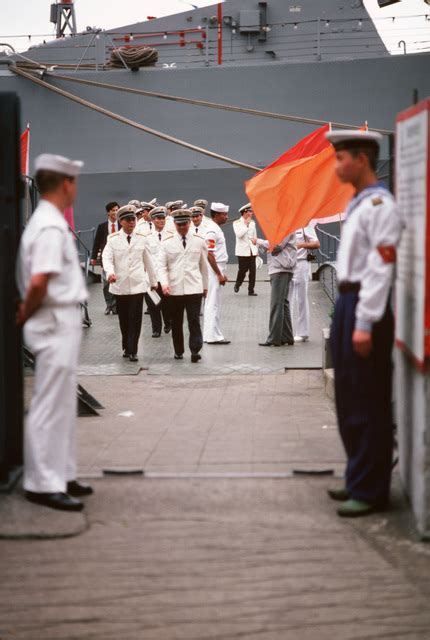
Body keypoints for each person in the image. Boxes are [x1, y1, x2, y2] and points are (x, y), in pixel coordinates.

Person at [325, 129, 403, 518]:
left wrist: (365, 322)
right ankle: (358, 474)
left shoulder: (379, 204)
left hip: (364, 304)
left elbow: (380, 266)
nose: (337, 165)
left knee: (368, 396)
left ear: (361, 159)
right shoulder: (358, 202)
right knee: (349, 395)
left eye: (341, 158)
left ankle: (371, 489)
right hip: (348, 301)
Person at [16, 153, 92, 512]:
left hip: (61, 319)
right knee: (49, 404)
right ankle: (42, 483)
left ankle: (62, 472)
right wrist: (23, 315)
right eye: (74, 182)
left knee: (62, 403)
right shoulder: (48, 225)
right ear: (65, 184)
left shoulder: (49, 221)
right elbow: (39, 280)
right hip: (53, 320)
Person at [102, 204, 158, 362]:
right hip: (120, 285)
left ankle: (133, 349)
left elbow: (149, 262)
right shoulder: (112, 239)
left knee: (136, 318)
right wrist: (110, 273)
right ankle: (126, 345)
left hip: (138, 285)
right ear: (121, 221)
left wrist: (153, 281)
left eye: (133, 219)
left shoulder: (141, 238)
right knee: (124, 319)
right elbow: (107, 258)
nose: (132, 222)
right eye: (128, 220)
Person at [158, 208, 208, 362]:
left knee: (194, 320)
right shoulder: (166, 243)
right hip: (174, 288)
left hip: (194, 287)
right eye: (179, 225)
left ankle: (195, 350)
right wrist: (164, 284)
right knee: (177, 321)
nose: (182, 227)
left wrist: (205, 286)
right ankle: (178, 350)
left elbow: (204, 266)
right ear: (174, 224)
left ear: (189, 222)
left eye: (185, 224)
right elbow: (161, 266)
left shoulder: (199, 241)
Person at [257, 234, 296, 347]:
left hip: (280, 269)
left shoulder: (286, 228)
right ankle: (287, 336)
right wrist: (263, 245)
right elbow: (272, 247)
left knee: (276, 304)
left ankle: (274, 338)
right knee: (283, 303)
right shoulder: (283, 227)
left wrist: (258, 241)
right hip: (281, 268)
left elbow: (277, 246)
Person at [203, 202, 230, 345]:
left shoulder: (216, 229)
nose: (226, 217)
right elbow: (210, 255)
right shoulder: (212, 231)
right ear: (216, 215)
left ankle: (212, 334)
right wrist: (219, 274)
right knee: (212, 303)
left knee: (214, 303)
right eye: (224, 214)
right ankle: (212, 336)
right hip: (214, 269)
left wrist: (222, 272)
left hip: (218, 268)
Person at [289, 226, 320, 342]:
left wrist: (301, 245)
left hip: (302, 263)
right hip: (288, 263)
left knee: (302, 298)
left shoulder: (305, 225)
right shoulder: (287, 222)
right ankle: (287, 331)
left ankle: (303, 332)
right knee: (288, 298)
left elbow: (316, 244)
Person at [145, 206, 172, 337]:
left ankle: (168, 322)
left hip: (166, 276)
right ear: (152, 220)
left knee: (166, 303)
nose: (161, 221)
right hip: (152, 276)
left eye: (163, 218)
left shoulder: (171, 236)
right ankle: (156, 329)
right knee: (152, 304)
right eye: (158, 218)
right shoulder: (147, 238)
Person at [90, 201, 120, 315]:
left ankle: (116, 305)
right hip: (106, 258)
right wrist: (93, 257)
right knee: (106, 284)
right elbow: (97, 242)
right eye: (113, 210)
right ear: (108, 212)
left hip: (119, 257)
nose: (115, 212)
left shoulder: (121, 225)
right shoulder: (102, 226)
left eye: (117, 210)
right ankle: (109, 304)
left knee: (117, 281)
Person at [233, 203, 258, 296]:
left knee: (253, 272)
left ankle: (251, 290)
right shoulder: (236, 223)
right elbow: (239, 235)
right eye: (250, 211)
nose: (252, 213)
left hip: (252, 250)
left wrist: (257, 249)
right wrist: (246, 225)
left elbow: (255, 236)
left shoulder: (253, 223)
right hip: (242, 251)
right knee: (242, 271)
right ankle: (237, 284)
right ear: (245, 212)